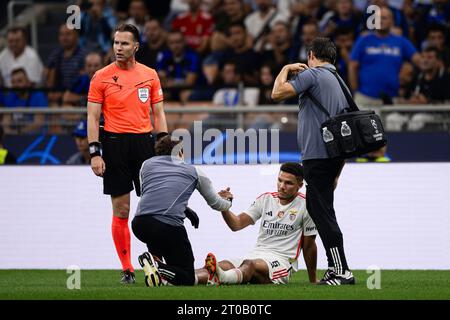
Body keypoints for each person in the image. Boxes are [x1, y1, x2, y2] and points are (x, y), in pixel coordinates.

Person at [87, 23, 168, 284]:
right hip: (114, 145)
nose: (118, 48)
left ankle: (157, 262)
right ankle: (127, 269)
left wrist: (164, 147)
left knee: (152, 208)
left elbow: (159, 113)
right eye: (115, 43)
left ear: (136, 46)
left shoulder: (150, 75)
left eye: (124, 43)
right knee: (121, 209)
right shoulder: (101, 76)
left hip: (144, 144)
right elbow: (92, 116)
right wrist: (94, 152)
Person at [271, 37, 355, 285]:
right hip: (333, 156)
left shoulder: (314, 75)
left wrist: (286, 69)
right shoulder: (340, 83)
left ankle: (342, 271)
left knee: (322, 213)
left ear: (311, 56)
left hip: (317, 155)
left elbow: (277, 93)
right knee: (322, 211)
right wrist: (339, 168)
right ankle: (336, 268)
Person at [132, 135, 232, 286]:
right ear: (180, 152)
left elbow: (150, 193)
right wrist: (228, 201)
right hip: (167, 226)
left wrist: (185, 209)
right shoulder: (193, 171)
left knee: (171, 267)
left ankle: (155, 267)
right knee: (187, 277)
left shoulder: (146, 165)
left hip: (140, 224)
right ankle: (157, 266)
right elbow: (216, 204)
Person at [196, 162, 318, 286]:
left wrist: (313, 280)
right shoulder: (266, 199)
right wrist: (224, 207)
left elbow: (309, 246)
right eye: (280, 180)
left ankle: (223, 278)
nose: (281, 186)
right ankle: (187, 278)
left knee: (249, 266)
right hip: (255, 255)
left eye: (288, 183)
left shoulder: (308, 206)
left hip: (281, 261)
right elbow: (236, 224)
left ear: (300, 185)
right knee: (223, 264)